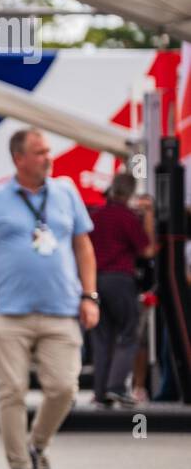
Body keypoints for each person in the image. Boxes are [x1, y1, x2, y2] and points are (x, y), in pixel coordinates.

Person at [0, 127, 99, 469]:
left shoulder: (67, 193)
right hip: (7, 311)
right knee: (12, 391)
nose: (48, 157)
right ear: (18, 159)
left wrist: (90, 296)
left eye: (48, 151)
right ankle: (20, 467)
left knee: (63, 388)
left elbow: (83, 247)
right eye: (39, 152)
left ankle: (37, 443)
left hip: (61, 309)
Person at [86, 172, 154, 408]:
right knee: (128, 333)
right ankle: (116, 386)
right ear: (130, 193)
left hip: (95, 280)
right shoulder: (126, 217)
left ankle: (100, 391)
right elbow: (147, 250)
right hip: (120, 280)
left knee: (102, 337)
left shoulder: (96, 215)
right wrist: (148, 216)